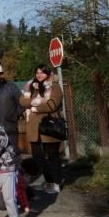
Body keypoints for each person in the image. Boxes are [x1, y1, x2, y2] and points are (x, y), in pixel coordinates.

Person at [19, 64, 65, 194]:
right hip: (34, 127)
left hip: (49, 126)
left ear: (48, 74)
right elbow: (22, 100)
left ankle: (56, 182)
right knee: (38, 156)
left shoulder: (54, 87)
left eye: (42, 72)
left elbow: (52, 105)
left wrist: (35, 108)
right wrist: (36, 102)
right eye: (37, 72)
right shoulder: (31, 86)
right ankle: (48, 181)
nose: (39, 75)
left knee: (52, 156)